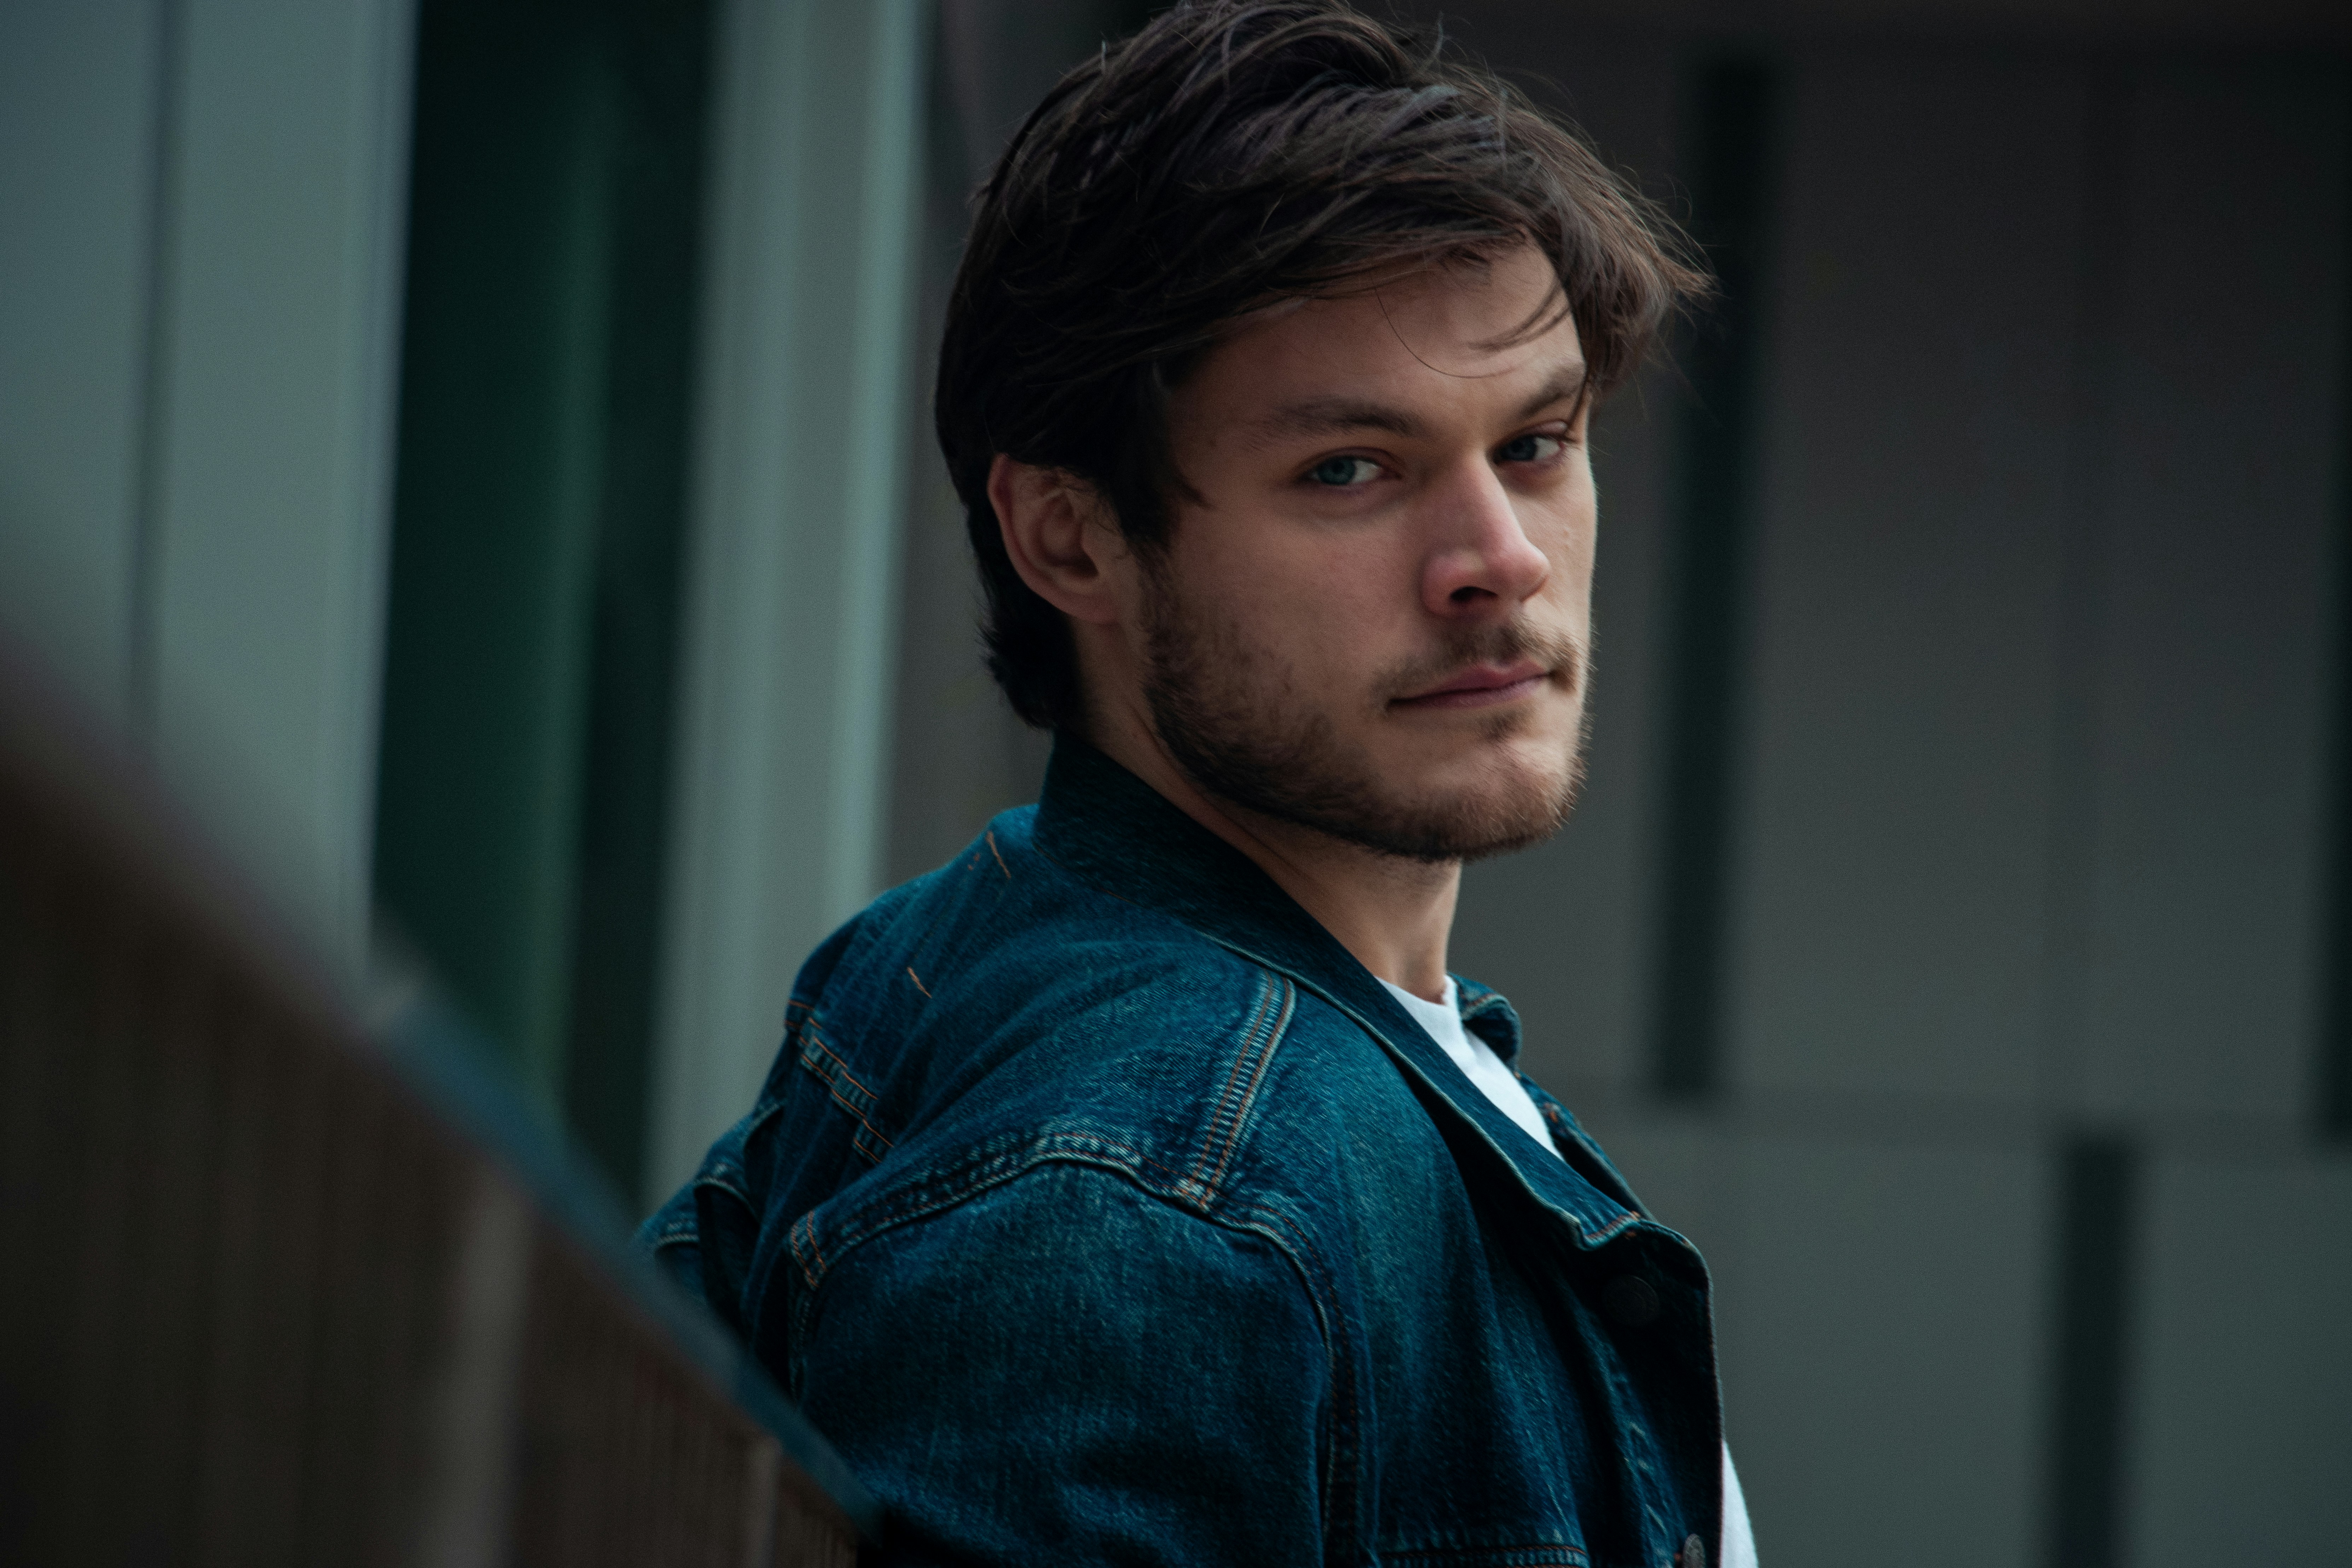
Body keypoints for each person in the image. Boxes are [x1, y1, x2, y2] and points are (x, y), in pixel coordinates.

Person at [642, 3, 1757, 1562]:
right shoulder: (1146, 1204)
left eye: (1536, 441)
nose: (1498, 559)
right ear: (1070, 537)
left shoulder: (1008, 940)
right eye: (1348, 469)